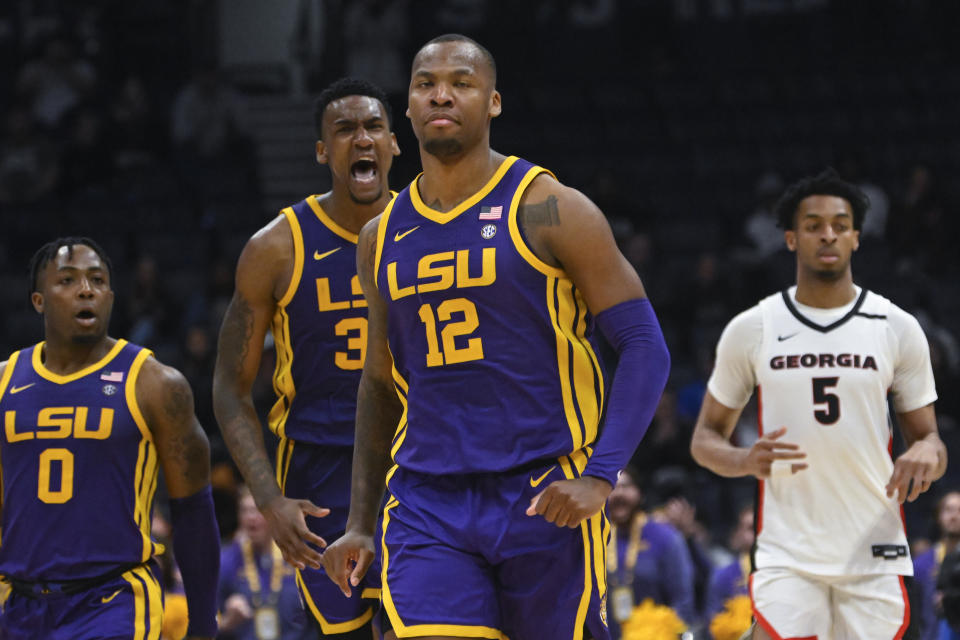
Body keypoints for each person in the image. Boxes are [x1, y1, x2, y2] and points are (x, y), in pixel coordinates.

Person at [321, 34, 670, 640]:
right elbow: (378, 385)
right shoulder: (382, 236)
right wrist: (359, 521)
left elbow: (643, 343)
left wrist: (601, 474)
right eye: (426, 83)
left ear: (494, 102)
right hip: (427, 502)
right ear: (407, 107)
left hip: (541, 494)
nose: (442, 95)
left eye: (462, 82)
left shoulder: (543, 208)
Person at [690, 169, 949, 640]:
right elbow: (705, 439)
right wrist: (743, 459)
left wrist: (929, 451)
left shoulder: (897, 326)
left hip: (872, 543)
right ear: (791, 238)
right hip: (788, 546)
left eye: (839, 224)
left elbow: (929, 439)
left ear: (856, 236)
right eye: (813, 224)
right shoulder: (752, 328)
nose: (827, 233)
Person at [213, 77, 400, 638]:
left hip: (416, 459)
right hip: (321, 467)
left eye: (373, 127)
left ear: (395, 144)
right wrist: (268, 500)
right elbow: (229, 386)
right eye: (344, 130)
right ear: (323, 152)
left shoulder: (431, 230)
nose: (360, 139)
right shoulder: (276, 246)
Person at [0, 237, 220, 639]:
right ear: (37, 301)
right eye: (67, 280)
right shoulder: (4, 382)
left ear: (111, 297)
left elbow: (193, 508)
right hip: (20, 607)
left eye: (97, 280)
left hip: (114, 601)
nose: (86, 290)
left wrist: (204, 623)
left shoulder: (156, 384)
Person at [605, 467, 695, 636]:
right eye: (612, 487)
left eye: (626, 486)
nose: (619, 494)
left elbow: (683, 600)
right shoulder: (594, 540)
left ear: (640, 493)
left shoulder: (665, 537)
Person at [218, 486, 313, 640]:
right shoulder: (226, 561)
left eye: (257, 510)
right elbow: (209, 626)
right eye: (244, 511)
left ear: (274, 515)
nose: (250, 517)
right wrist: (227, 621)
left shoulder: (299, 557)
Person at [915, 490, 960, 640]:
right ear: (938, 517)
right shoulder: (920, 565)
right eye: (948, 510)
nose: (954, 516)